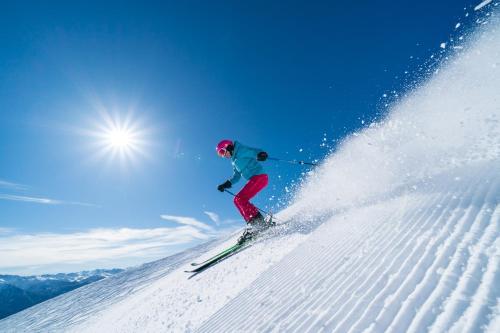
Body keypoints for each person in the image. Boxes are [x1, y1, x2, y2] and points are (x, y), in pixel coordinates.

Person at [216, 139, 270, 243]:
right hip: (255, 179)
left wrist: (261, 154)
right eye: (220, 154)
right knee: (237, 200)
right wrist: (226, 184)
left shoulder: (240, 150)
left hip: (260, 177)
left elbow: (254, 151)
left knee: (240, 199)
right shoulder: (234, 161)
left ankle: (259, 225)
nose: (223, 156)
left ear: (228, 147)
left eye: (222, 152)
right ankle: (255, 224)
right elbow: (236, 176)